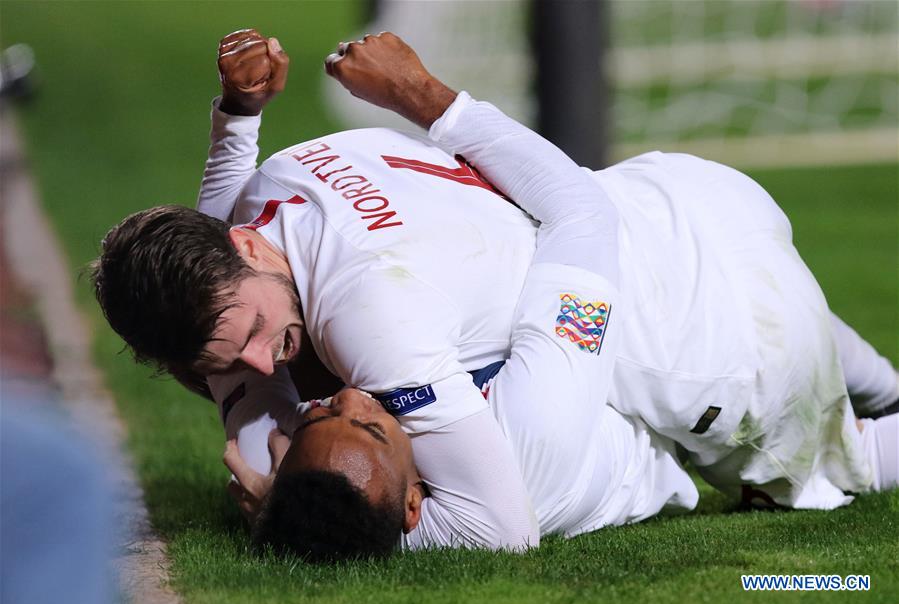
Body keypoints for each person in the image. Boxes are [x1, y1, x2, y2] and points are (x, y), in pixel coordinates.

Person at [92, 32, 898, 551]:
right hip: (678, 197)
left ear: (241, 248)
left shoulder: (371, 319)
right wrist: (237, 119)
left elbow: (502, 525)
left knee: (841, 462)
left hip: (707, 344)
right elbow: (221, 286)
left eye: (257, 338)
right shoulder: (268, 200)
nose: (269, 365)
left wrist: (427, 96)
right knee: (811, 341)